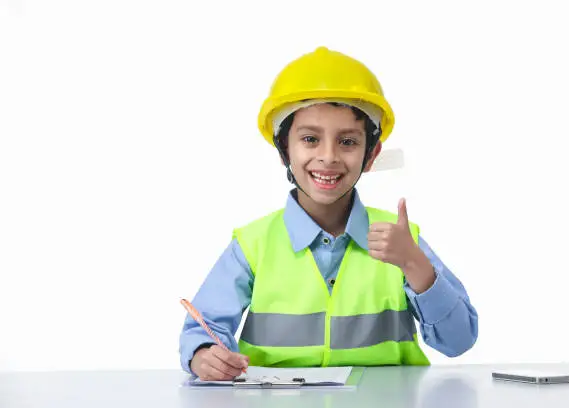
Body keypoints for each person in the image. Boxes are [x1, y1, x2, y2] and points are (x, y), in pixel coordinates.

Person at [179, 46, 478, 381]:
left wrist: (415, 266)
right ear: (283, 149)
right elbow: (204, 327)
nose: (329, 156)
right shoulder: (253, 245)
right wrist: (204, 355)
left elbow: (459, 341)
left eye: (348, 142)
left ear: (371, 153)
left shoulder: (400, 240)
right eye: (310, 139)